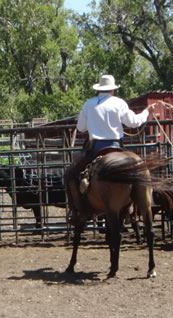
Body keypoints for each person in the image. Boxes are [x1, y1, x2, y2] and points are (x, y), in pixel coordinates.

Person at [65, 74, 150, 221]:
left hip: (96, 148)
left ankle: (78, 210)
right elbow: (133, 122)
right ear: (113, 89)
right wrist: (147, 112)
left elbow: (81, 127)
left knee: (70, 174)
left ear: (99, 89)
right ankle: (134, 208)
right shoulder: (119, 103)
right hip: (117, 146)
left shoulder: (89, 104)